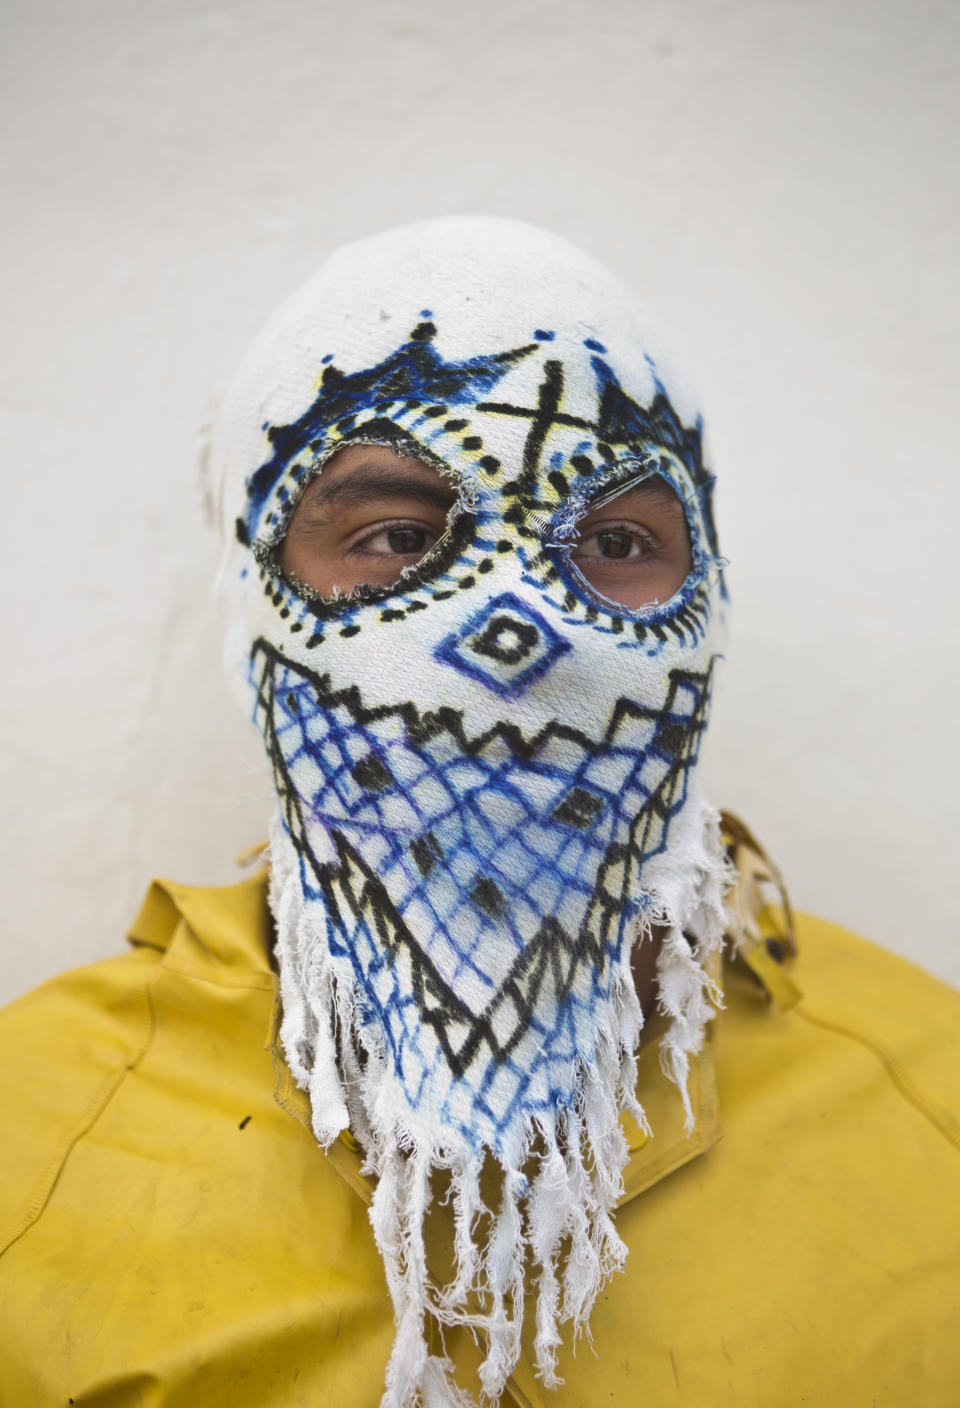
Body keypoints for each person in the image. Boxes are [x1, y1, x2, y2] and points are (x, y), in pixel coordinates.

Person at [1, 218, 958, 1408]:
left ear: (710, 599)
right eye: (396, 537)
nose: (520, 637)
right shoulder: (28, 1143)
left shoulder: (936, 1111)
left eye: (614, 540)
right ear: (249, 605)